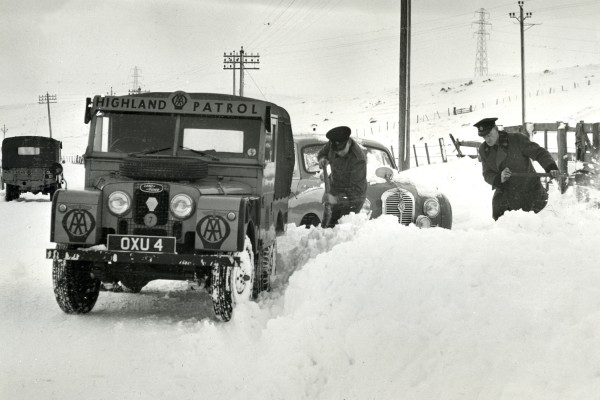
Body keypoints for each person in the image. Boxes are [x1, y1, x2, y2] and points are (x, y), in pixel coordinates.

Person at [476, 117, 560, 220]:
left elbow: (539, 153)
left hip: (530, 193)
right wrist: (499, 178)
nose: (487, 139)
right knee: (503, 227)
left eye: (489, 135)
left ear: (496, 129)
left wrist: (551, 167)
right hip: (505, 196)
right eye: (484, 137)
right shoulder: (484, 150)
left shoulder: (516, 139)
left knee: (532, 226)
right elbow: (487, 173)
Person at [317, 126, 367, 227]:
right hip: (334, 189)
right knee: (326, 226)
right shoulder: (332, 145)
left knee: (342, 229)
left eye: (342, 149)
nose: (339, 152)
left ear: (348, 142)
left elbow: (356, 191)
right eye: (336, 151)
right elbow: (322, 153)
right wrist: (322, 159)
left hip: (352, 200)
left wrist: (335, 199)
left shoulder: (358, 159)